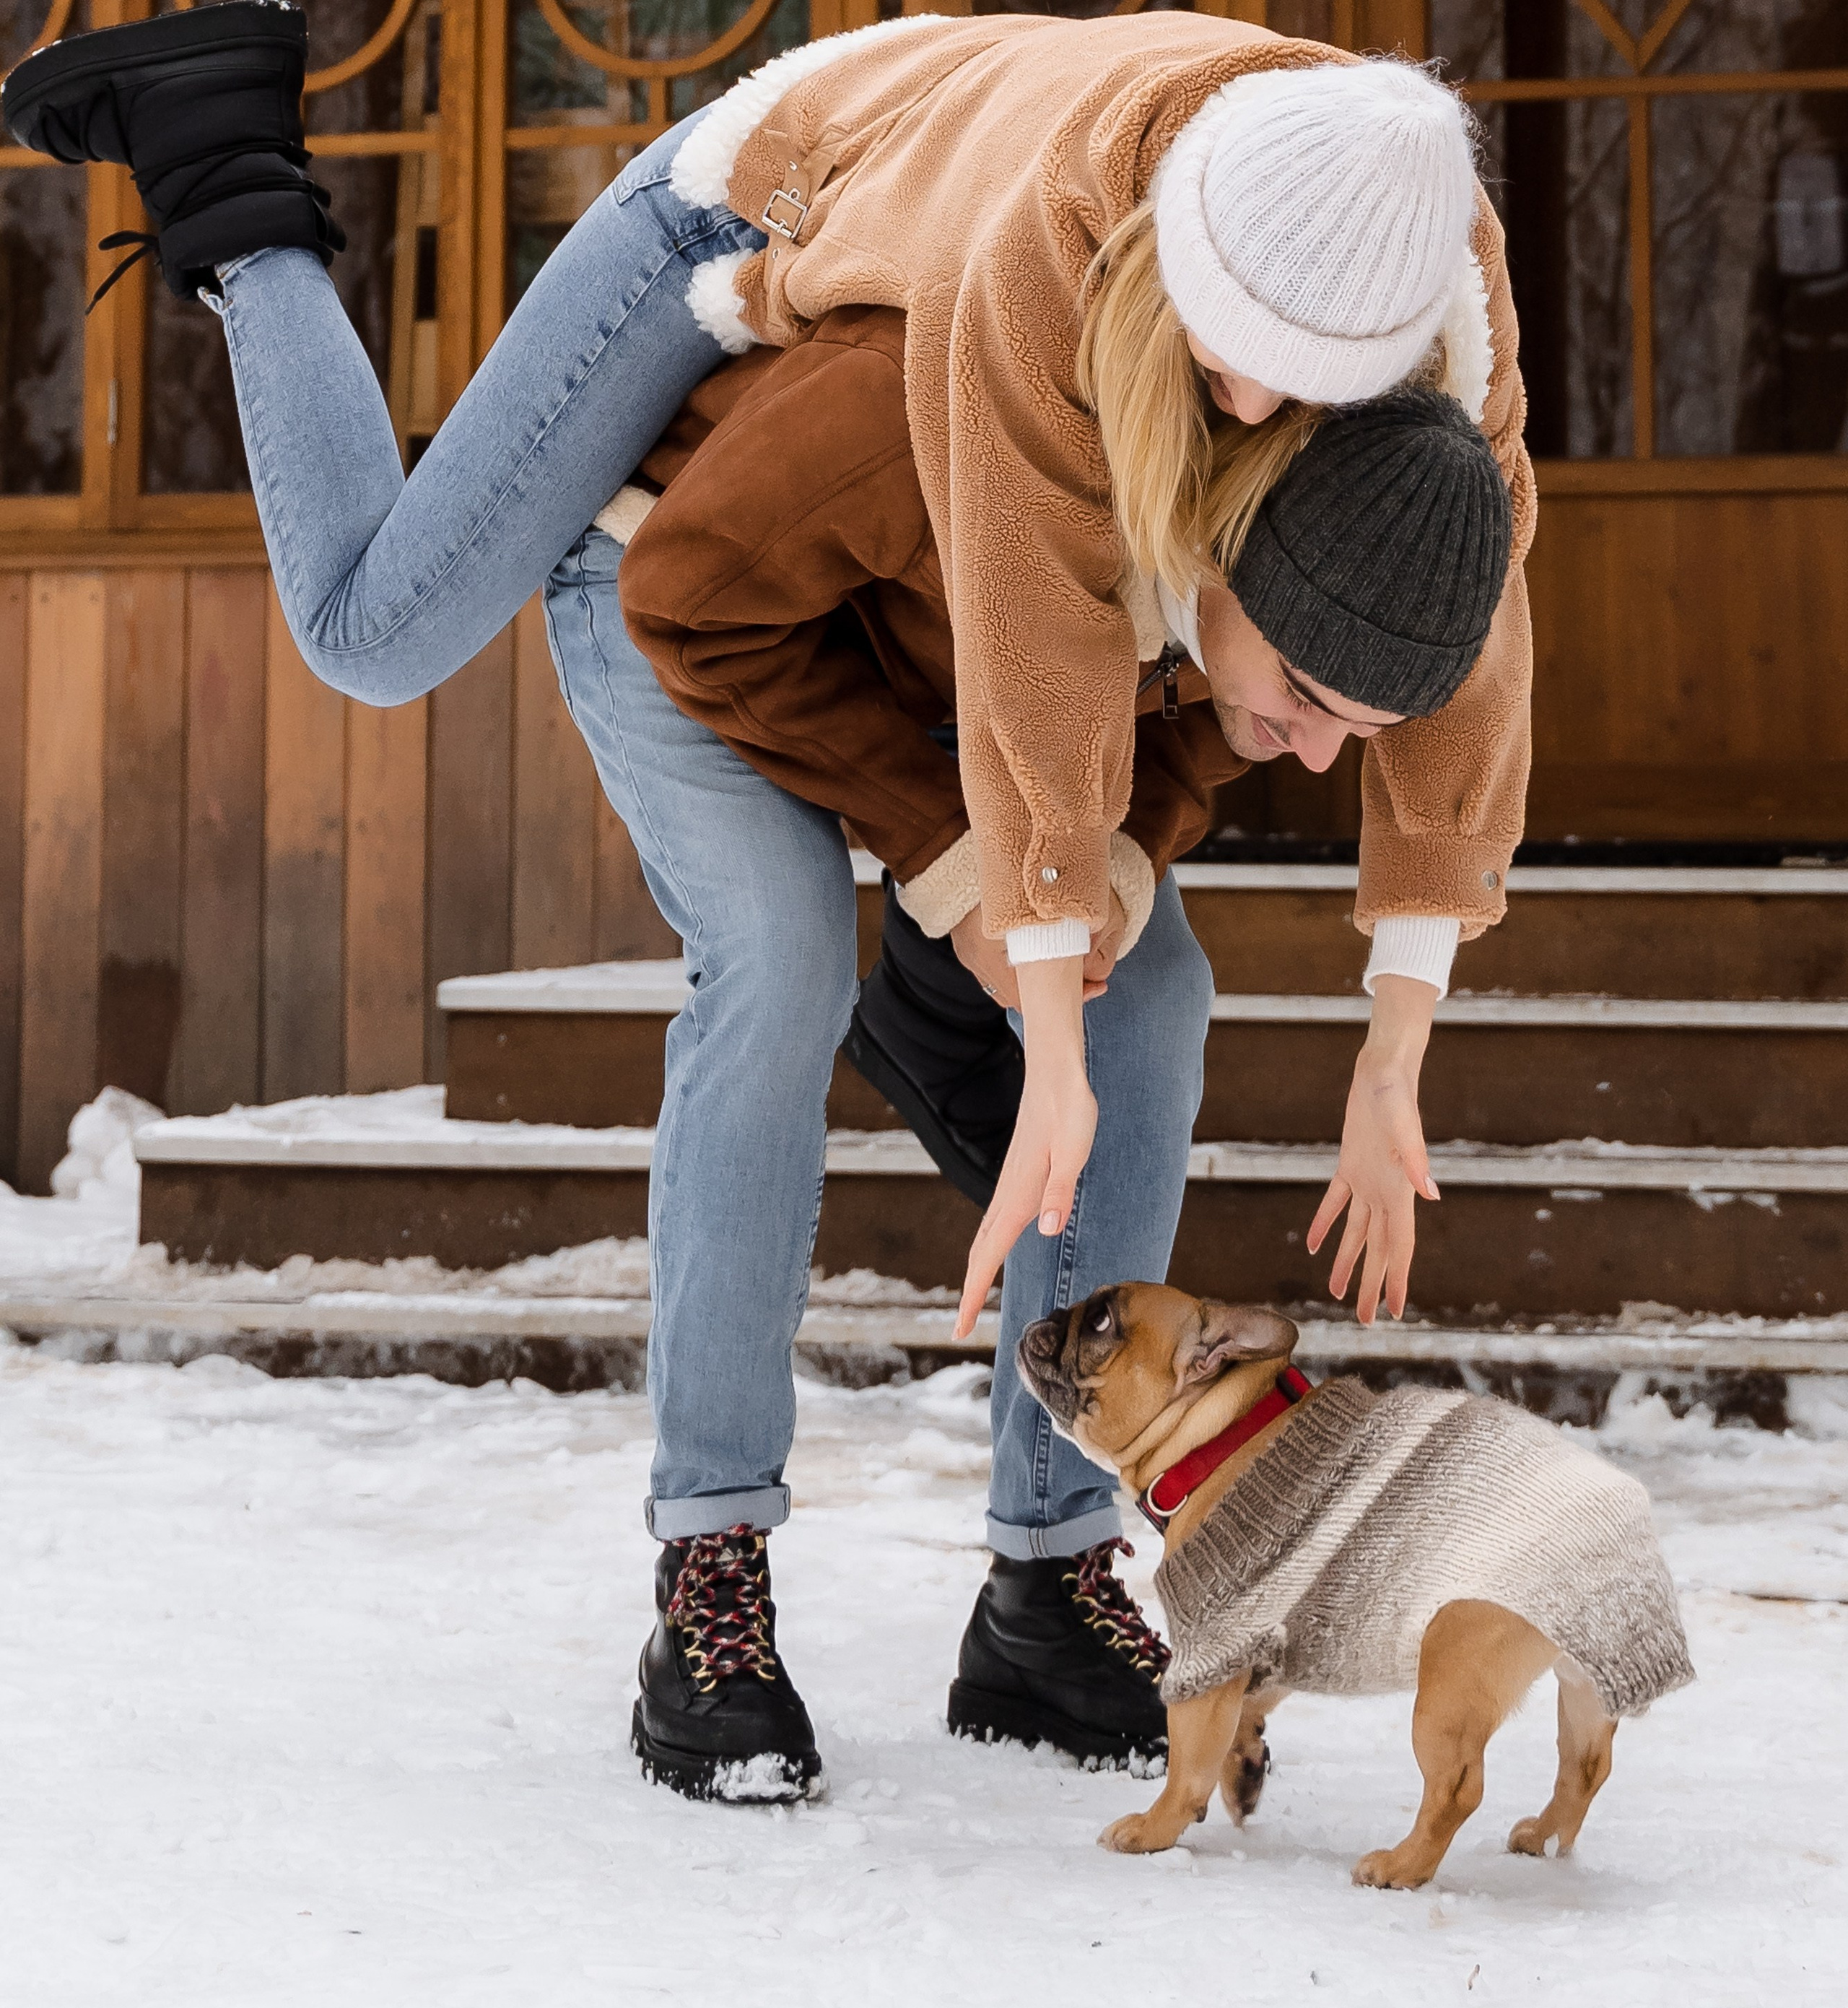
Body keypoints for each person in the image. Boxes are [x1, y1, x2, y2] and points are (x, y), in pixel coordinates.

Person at [559, 308, 1512, 1800]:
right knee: (782, 961)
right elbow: (697, 598)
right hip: (689, 589)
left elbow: (1189, 726)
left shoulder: (1313, 534)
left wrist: (1107, 881)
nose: (1317, 756)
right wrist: (954, 871)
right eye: (1311, 706)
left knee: (1145, 988)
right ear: (1226, 572)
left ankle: (1045, 1580)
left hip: (943, 661)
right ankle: (710, 1565)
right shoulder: (970, 408)